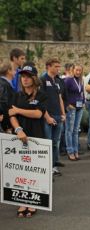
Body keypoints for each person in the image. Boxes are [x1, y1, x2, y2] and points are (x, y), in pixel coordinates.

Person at [9, 63, 47, 217]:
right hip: (19, 138)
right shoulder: (16, 95)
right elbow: (11, 115)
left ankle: (32, 202)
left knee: (34, 171)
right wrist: (18, 130)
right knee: (20, 170)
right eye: (22, 76)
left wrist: (18, 110)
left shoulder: (41, 95)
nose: (24, 79)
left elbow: (38, 114)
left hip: (37, 138)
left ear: (34, 78)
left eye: (27, 76)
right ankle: (21, 202)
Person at [40, 58, 66, 176]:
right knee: (48, 142)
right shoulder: (42, 79)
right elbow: (40, 100)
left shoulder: (57, 80)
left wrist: (63, 113)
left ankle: (54, 164)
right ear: (48, 66)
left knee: (56, 142)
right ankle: (47, 166)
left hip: (58, 115)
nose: (58, 68)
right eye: (56, 66)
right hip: (47, 116)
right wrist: (47, 117)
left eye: (59, 66)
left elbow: (60, 98)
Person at [64, 64, 85, 161]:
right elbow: (63, 94)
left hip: (79, 108)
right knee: (69, 130)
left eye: (80, 70)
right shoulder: (68, 80)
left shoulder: (81, 80)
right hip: (71, 108)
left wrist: (84, 101)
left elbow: (81, 92)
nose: (78, 72)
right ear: (73, 70)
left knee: (76, 131)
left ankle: (76, 150)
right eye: (77, 70)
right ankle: (70, 151)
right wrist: (67, 104)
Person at [0, 61, 16, 133]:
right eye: (14, 70)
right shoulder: (4, 85)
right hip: (4, 123)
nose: (15, 72)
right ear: (9, 71)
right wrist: (7, 125)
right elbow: (4, 104)